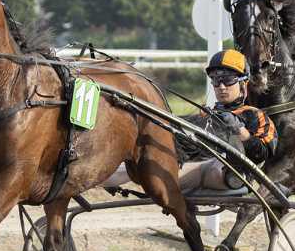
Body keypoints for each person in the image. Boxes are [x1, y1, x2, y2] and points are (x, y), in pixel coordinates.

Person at [103, 49, 277, 193]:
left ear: (243, 83)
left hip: (228, 173)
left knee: (161, 168)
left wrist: (239, 130)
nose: (221, 86)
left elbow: (263, 153)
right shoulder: (205, 114)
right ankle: (99, 176)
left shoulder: (254, 115)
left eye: (228, 79)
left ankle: (156, 178)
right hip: (189, 165)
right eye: (216, 80)